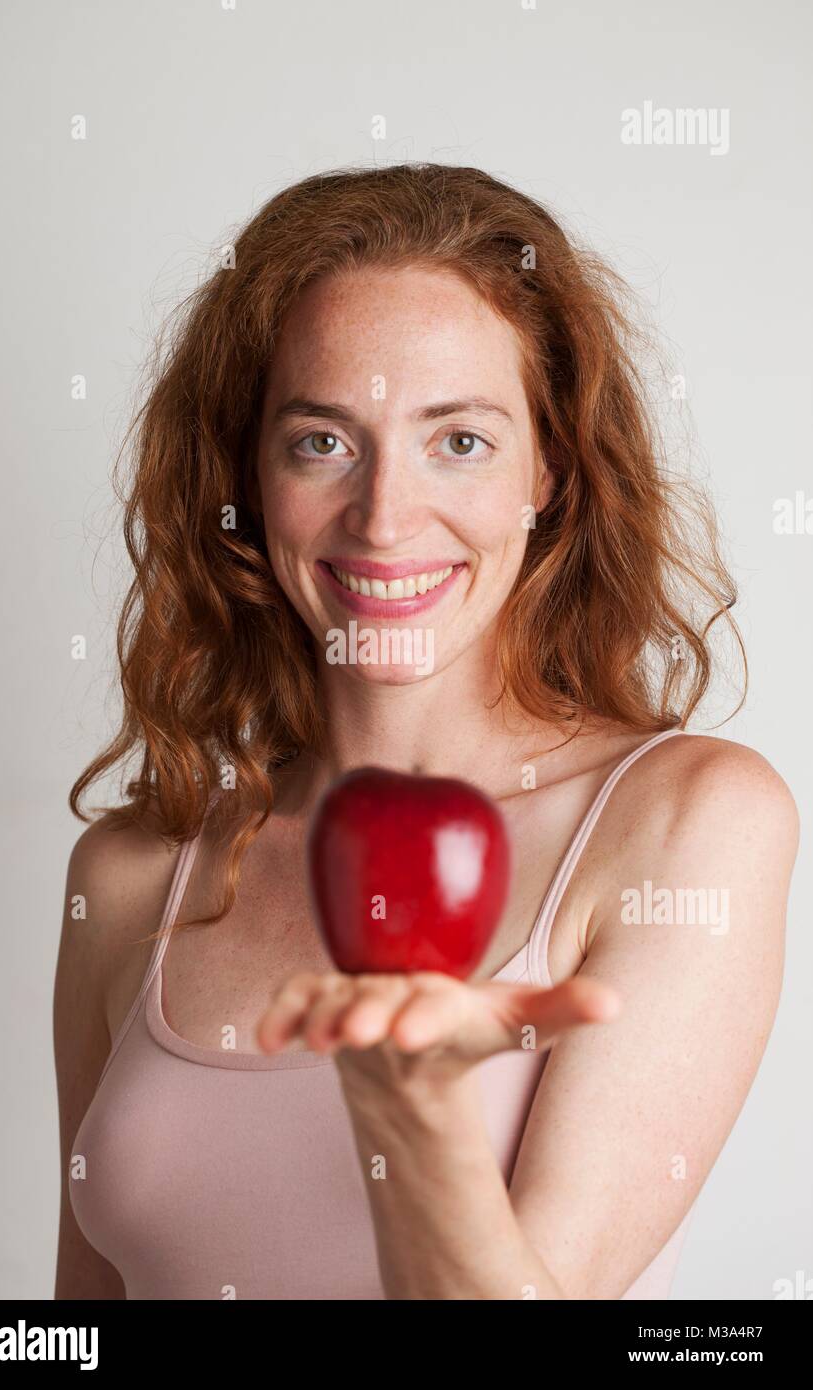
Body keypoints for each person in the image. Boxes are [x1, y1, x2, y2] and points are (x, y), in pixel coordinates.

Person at [53, 163, 798, 1300]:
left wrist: (411, 1110)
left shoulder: (684, 820)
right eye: (321, 441)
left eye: (458, 441)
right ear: (247, 477)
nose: (385, 517)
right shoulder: (128, 873)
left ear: (546, 468)